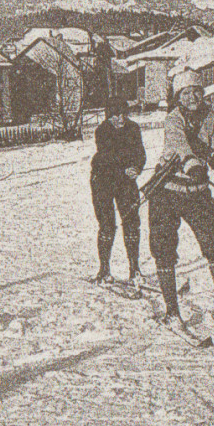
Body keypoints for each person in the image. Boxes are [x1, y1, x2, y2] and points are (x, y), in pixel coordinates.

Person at [149, 70, 214, 329]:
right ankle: (172, 311)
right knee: (164, 250)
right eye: (186, 93)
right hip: (167, 191)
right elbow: (181, 147)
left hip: (197, 192)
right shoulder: (172, 119)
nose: (193, 97)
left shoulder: (213, 118)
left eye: (197, 91)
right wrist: (193, 164)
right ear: (179, 97)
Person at [90, 97, 146, 285]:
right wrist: (125, 168)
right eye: (116, 115)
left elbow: (140, 153)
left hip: (126, 182)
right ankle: (104, 270)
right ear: (108, 115)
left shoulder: (134, 129)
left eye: (124, 114)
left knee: (131, 222)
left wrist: (137, 168)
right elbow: (108, 157)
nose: (121, 119)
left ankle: (134, 269)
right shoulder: (102, 131)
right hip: (103, 181)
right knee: (107, 225)